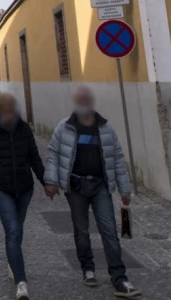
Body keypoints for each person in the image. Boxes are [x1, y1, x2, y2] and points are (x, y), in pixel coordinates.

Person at [43, 85, 141, 298]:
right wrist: (50, 181)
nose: (83, 103)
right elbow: (53, 153)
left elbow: (116, 157)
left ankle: (119, 278)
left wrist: (125, 189)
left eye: (86, 99)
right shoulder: (65, 127)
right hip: (76, 187)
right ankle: (88, 268)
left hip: (100, 187)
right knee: (81, 230)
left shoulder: (105, 128)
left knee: (109, 231)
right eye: (80, 100)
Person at [0, 92, 44, 300]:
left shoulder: (23, 129)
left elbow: (34, 157)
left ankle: (12, 261)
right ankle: (21, 282)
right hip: (0, 187)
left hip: (24, 188)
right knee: (13, 229)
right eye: (5, 112)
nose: (9, 115)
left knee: (17, 229)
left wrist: (46, 182)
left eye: (11, 111)